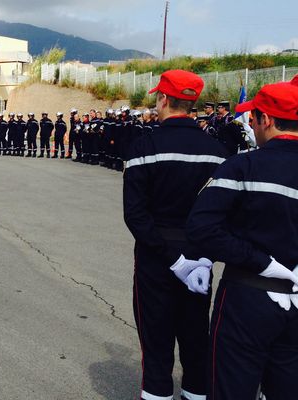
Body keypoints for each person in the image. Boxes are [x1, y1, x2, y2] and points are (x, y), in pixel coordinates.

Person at [186, 82, 298, 400]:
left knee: (231, 386)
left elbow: (202, 228)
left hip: (248, 297)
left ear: (266, 120)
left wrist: (261, 261)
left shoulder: (243, 166)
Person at [123, 70, 228, 400]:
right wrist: (202, 258)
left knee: (156, 344)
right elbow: (224, 214)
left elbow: (136, 215)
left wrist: (173, 259)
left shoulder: (144, 147)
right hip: (199, 258)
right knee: (196, 339)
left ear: (164, 99)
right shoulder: (218, 151)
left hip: (157, 257)